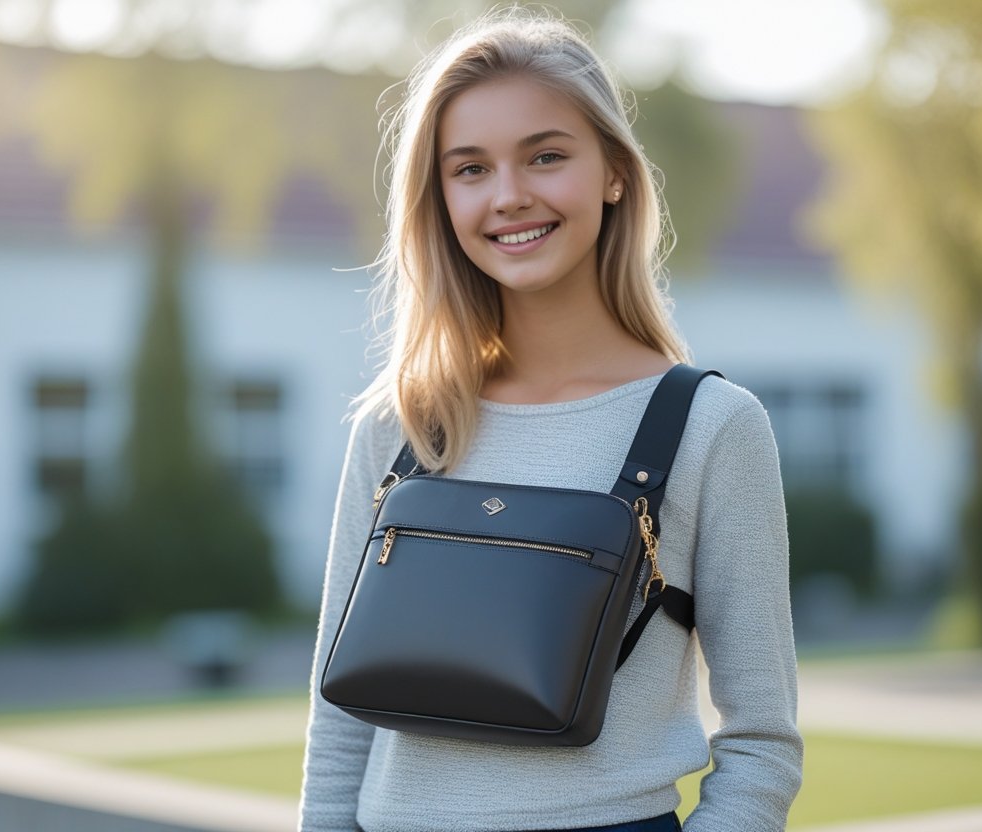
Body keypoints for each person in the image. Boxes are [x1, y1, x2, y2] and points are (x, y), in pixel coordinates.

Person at [298, 9, 802, 832]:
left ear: (613, 172)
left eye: (546, 155)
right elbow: (337, 727)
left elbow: (763, 743)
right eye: (470, 168)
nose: (508, 196)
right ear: (441, 198)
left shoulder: (714, 427)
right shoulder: (399, 426)